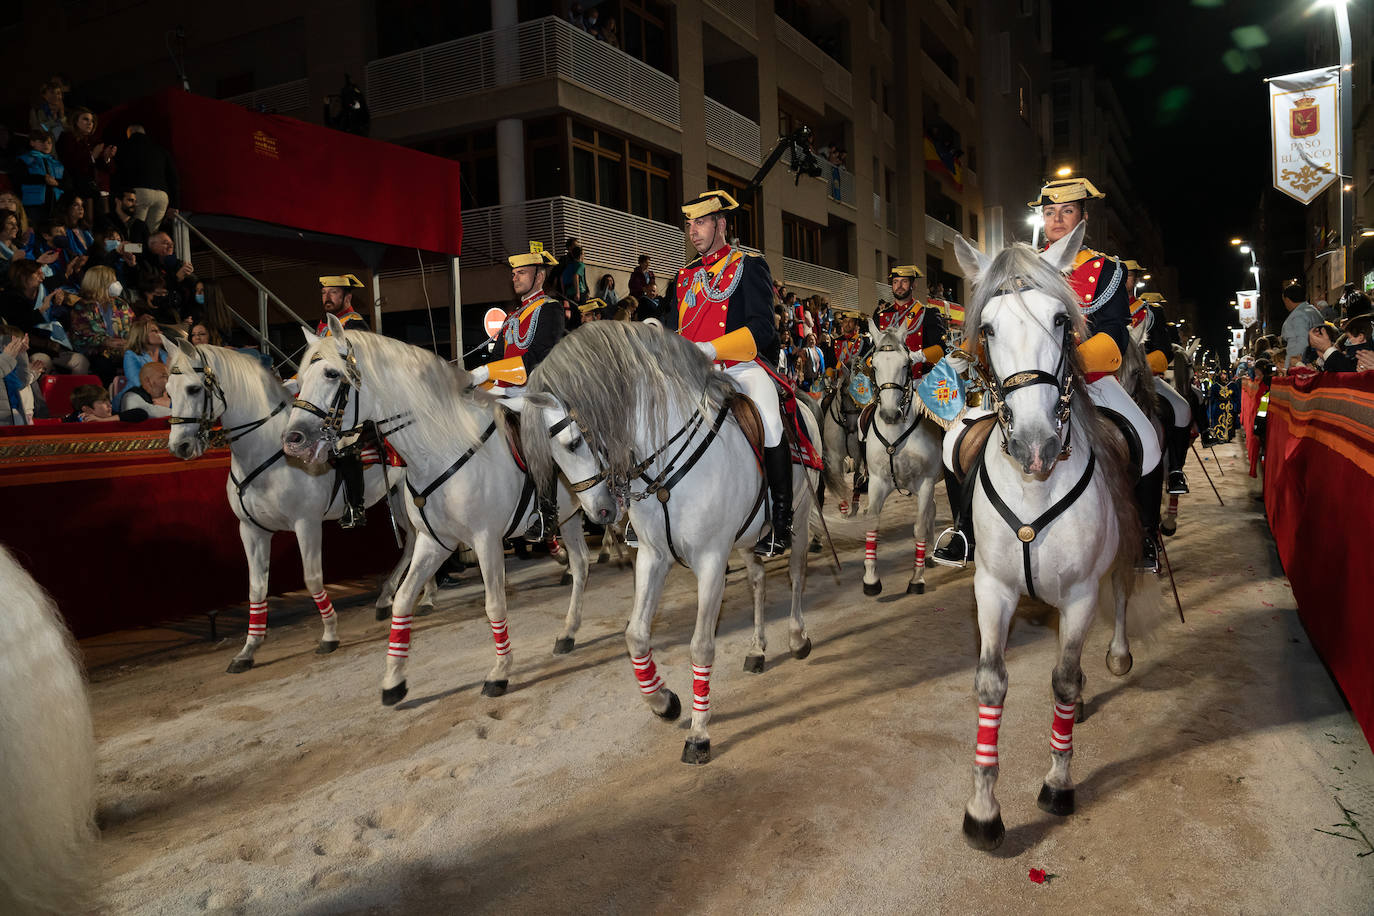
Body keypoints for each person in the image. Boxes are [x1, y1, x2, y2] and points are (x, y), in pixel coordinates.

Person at [936, 176, 1162, 570]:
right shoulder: (1020, 266)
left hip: (1089, 378)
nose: (1057, 219)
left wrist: (1071, 365)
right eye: (1050, 212)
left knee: (1147, 441)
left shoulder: (1105, 268)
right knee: (956, 437)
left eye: (1067, 211)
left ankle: (1143, 536)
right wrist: (964, 354)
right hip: (1022, 380)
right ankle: (963, 531)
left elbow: (1113, 332)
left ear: (1082, 217)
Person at [665, 190, 792, 557]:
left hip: (740, 368)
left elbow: (762, 328)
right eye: (689, 224)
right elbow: (675, 326)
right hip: (691, 374)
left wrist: (712, 349)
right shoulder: (684, 275)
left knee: (769, 420)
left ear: (721, 224)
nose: (693, 231)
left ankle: (781, 519)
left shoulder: (749, 265)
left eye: (701, 222)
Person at [468, 244, 565, 540]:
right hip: (505, 391)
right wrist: (481, 379)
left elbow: (538, 355)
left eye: (522, 272)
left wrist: (491, 373)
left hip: (534, 390)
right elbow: (497, 358)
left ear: (539, 276)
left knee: (534, 435)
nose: (515, 277)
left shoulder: (550, 308)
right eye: (513, 273)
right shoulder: (512, 317)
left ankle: (547, 513)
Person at [1136, 290, 1192, 495]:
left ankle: (1176, 469)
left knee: (1182, 407)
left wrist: (1146, 364)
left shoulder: (1153, 314)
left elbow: (1164, 348)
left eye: (1132, 276)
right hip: (1110, 373)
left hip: (1149, 375)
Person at [874, 265, 946, 380]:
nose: (899, 286)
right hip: (889, 382)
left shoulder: (928, 314)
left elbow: (942, 349)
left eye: (904, 281)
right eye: (895, 282)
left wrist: (919, 356)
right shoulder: (881, 316)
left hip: (920, 380)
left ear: (913, 285)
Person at [69, 264, 134, 384]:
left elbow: (130, 327)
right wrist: (105, 341)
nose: (116, 284)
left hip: (121, 351)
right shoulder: (83, 307)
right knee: (103, 364)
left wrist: (128, 341)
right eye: (112, 281)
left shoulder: (121, 304)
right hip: (94, 352)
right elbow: (82, 335)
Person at [113, 125, 179, 234]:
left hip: (138, 192)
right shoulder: (161, 150)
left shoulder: (125, 148)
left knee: (136, 230)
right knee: (152, 233)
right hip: (162, 195)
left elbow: (118, 174)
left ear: (129, 134)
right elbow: (173, 177)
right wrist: (175, 204)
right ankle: (150, 250)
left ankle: (136, 250)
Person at [57, 108, 114, 217]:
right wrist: (92, 156)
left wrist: (107, 158)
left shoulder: (93, 141)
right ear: (75, 121)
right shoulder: (67, 138)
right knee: (85, 223)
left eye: (92, 121)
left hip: (95, 191)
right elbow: (70, 164)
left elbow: (109, 169)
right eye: (85, 119)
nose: (90, 123)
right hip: (76, 190)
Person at [16, 130, 66, 220]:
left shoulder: (56, 163)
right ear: (32, 142)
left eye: (49, 143)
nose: (46, 145)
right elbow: (21, 178)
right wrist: (43, 179)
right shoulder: (24, 159)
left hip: (56, 205)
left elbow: (67, 183)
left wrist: (57, 183)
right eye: (42, 141)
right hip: (33, 205)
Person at [1280, 283, 1324, 372]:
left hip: (1304, 366)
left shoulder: (1297, 316)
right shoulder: (1314, 311)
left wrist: (1288, 369)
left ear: (1287, 299)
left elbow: (1298, 345)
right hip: (1319, 360)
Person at [0, 327, 33, 426]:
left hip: (13, 413)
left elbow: (22, 382)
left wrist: (22, 354)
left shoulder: (10, 361)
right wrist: (7, 358)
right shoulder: (5, 361)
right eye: (15, 344)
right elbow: (15, 383)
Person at [122, 315, 168, 384]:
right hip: (138, 393)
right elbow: (137, 382)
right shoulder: (131, 355)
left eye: (159, 331)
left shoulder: (165, 354)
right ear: (141, 335)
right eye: (154, 331)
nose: (160, 333)